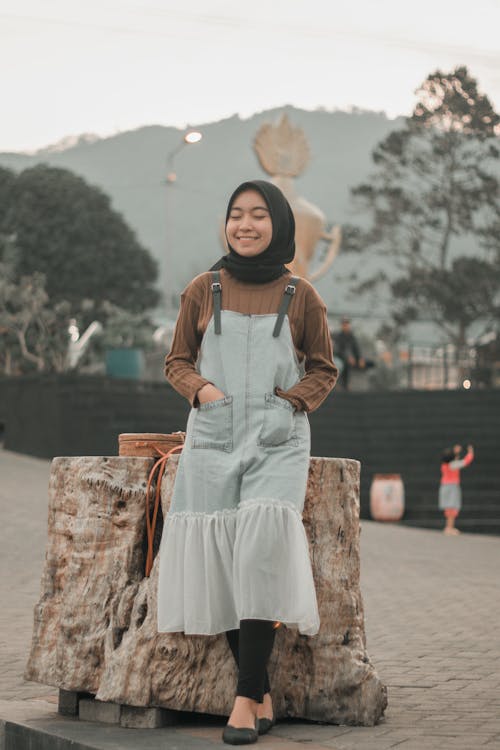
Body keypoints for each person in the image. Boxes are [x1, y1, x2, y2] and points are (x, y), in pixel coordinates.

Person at [158, 180, 338, 745]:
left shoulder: (300, 293)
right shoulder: (202, 288)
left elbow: (323, 370)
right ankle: (259, 692)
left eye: (259, 215)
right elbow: (176, 361)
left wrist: (291, 405)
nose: (246, 225)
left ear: (278, 226)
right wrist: (203, 392)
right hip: (212, 436)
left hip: (277, 442)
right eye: (237, 215)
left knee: (259, 554)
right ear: (226, 223)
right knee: (222, 559)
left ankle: (243, 698)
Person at [438, 444, 474, 535]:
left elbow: (452, 458)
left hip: (444, 486)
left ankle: (449, 527)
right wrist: (470, 452)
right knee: (452, 508)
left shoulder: (444, 465)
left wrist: (456, 451)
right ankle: (449, 528)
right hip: (452, 487)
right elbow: (466, 461)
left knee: (448, 508)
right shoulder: (453, 465)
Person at [332, 317, 365, 390]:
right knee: (342, 364)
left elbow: (356, 348)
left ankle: (357, 386)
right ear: (341, 325)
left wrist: (360, 358)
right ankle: (342, 385)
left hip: (349, 359)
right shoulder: (338, 336)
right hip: (338, 358)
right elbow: (337, 350)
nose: (345, 326)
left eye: (347, 324)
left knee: (366, 363)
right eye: (344, 324)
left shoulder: (352, 336)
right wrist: (348, 357)